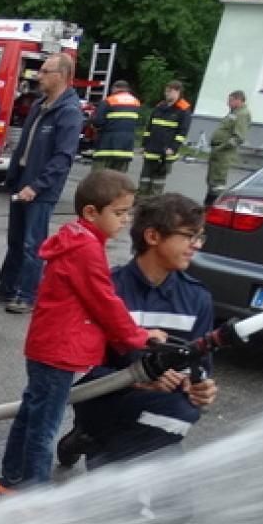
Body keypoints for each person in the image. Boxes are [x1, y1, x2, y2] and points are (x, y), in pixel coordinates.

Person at [0, 169, 167, 495]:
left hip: (47, 346)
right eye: (118, 213)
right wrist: (139, 337)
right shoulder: (86, 250)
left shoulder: (74, 238)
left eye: (128, 212)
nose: (126, 220)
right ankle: (35, 496)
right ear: (91, 212)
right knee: (44, 426)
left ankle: (10, 478)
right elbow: (105, 303)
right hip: (60, 351)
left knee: (32, 412)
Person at [58, 193, 218, 471]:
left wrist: (201, 386)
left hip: (156, 409)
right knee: (126, 500)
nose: (196, 246)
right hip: (102, 400)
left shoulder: (197, 299)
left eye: (200, 237)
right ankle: (93, 439)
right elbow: (77, 370)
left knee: (185, 411)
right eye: (189, 236)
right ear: (153, 236)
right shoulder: (106, 289)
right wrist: (137, 378)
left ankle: (103, 447)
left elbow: (200, 364)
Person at [0, 53, 85, 315]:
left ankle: (27, 295)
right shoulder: (40, 105)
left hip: (41, 188)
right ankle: (7, 287)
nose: (39, 76)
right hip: (22, 180)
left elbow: (62, 158)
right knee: (15, 240)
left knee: (32, 244)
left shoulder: (69, 112)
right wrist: (13, 177)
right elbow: (24, 145)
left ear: (61, 76)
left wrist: (37, 186)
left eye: (45, 71)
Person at [137, 80, 192, 198]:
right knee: (144, 181)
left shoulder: (183, 110)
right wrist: (144, 144)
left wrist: (173, 148)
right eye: (166, 91)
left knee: (157, 184)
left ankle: (153, 208)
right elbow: (149, 128)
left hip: (165, 153)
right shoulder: (160, 106)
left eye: (169, 91)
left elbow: (182, 132)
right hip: (151, 150)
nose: (166, 94)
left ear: (177, 91)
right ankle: (140, 206)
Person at [204, 90, 250, 206]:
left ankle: (212, 206)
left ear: (239, 100)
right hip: (217, 151)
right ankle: (208, 205)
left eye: (230, 100)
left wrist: (221, 147)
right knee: (212, 179)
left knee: (218, 181)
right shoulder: (233, 112)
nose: (228, 102)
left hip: (224, 153)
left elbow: (238, 137)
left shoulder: (242, 114)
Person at [90, 79, 141, 172]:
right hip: (126, 149)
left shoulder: (108, 101)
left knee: (98, 180)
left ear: (114, 88)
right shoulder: (136, 103)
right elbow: (136, 123)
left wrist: (91, 120)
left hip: (106, 148)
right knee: (118, 181)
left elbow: (98, 122)